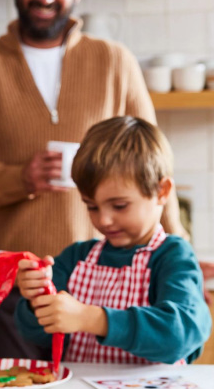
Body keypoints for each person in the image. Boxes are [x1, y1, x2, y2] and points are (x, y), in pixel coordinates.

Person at [0, 0, 195, 360]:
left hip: (105, 291)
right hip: (6, 295)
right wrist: (18, 178)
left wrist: (182, 260)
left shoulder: (114, 62)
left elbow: (157, 170)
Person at [14, 116, 211, 364]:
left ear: (162, 192)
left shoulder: (173, 256)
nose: (104, 220)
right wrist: (36, 300)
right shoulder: (76, 258)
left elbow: (181, 335)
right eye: (92, 206)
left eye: (119, 205)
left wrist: (93, 319)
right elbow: (36, 334)